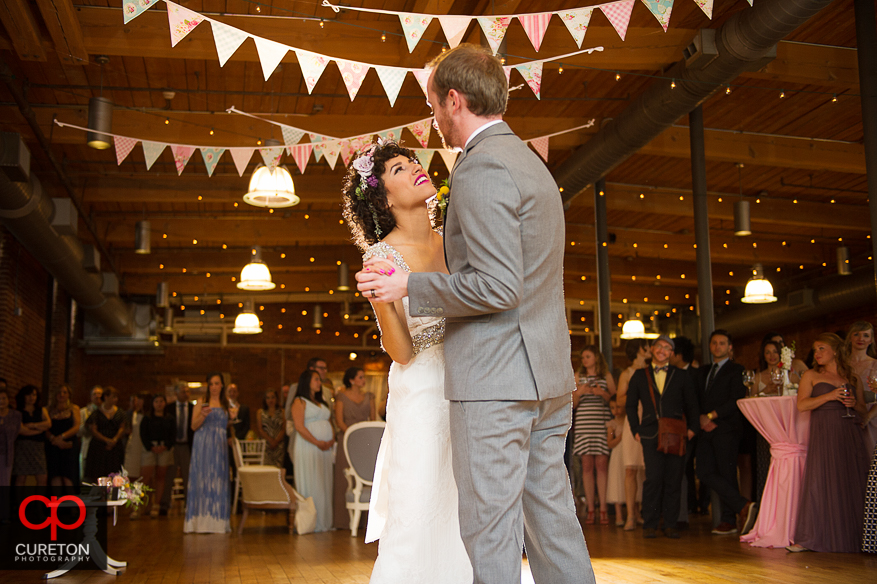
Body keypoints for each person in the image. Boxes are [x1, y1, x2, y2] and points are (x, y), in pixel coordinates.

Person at [355, 44, 594, 584]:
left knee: (490, 533)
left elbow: (498, 286)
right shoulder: (531, 164)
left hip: (495, 384)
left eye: (434, 104)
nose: (433, 119)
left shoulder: (481, 169)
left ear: (454, 100)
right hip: (546, 377)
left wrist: (409, 285)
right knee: (554, 525)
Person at [342, 138, 471, 582]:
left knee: (464, 499)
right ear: (384, 197)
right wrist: (381, 303)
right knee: (420, 497)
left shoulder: (453, 240)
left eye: (412, 160)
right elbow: (401, 352)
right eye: (399, 169)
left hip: (469, 378)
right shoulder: (380, 256)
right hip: (420, 389)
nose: (416, 167)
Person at [789, 333, 869, 553]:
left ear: (835, 350)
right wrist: (830, 396)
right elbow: (802, 405)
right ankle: (810, 537)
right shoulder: (811, 375)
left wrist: (854, 403)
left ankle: (859, 538)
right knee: (821, 479)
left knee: (850, 480)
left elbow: (862, 409)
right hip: (824, 431)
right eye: (815, 350)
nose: (817, 353)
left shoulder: (852, 377)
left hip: (848, 430)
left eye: (821, 348)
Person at [625, 336, 700, 539]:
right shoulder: (640, 376)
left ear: (671, 354)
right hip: (650, 434)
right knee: (653, 479)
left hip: (676, 433)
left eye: (667, 348)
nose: (662, 350)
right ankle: (649, 523)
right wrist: (636, 430)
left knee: (673, 479)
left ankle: (670, 524)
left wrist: (692, 429)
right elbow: (630, 405)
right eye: (659, 346)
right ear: (652, 349)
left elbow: (692, 404)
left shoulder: (682, 376)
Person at [695, 330, 755, 536]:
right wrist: (702, 418)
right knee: (703, 471)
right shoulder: (703, 371)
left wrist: (711, 416)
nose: (717, 346)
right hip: (705, 429)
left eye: (722, 343)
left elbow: (736, 399)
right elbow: (695, 399)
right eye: (714, 343)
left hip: (727, 428)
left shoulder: (737, 369)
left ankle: (728, 520)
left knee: (727, 473)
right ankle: (742, 505)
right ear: (710, 346)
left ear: (729, 347)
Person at [572, 345, 616, 525]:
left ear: (596, 358)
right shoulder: (578, 376)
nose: (584, 360)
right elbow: (572, 405)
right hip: (583, 425)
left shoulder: (606, 376)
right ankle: (591, 508)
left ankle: (603, 508)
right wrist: (579, 394)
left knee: (602, 464)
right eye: (582, 357)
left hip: (601, 424)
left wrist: (602, 393)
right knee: (587, 465)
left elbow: (615, 401)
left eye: (588, 356)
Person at [184, 372, 231, 533]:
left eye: (217, 383)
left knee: (218, 480)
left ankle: (218, 522)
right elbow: (193, 426)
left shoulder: (226, 404)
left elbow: (226, 425)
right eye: (211, 384)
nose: (214, 387)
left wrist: (232, 419)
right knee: (202, 480)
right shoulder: (201, 403)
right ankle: (199, 522)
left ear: (222, 385)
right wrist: (203, 416)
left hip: (220, 446)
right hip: (203, 445)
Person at [291, 369, 335, 533]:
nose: (319, 383)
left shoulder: (321, 401)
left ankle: (324, 522)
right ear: (307, 381)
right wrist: (317, 442)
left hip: (324, 447)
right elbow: (299, 426)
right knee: (312, 481)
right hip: (308, 446)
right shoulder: (299, 401)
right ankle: (311, 523)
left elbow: (329, 421)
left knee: (323, 483)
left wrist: (331, 440)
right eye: (316, 379)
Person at [333, 367, 376, 530]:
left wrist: (365, 438)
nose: (363, 380)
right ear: (351, 380)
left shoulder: (369, 397)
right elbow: (339, 420)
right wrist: (352, 436)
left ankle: (366, 522)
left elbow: (372, 419)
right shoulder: (341, 397)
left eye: (363, 377)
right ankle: (343, 521)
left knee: (366, 475)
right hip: (347, 439)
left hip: (365, 441)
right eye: (360, 377)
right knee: (345, 478)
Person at [616, 339, 648, 530]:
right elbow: (619, 399)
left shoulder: (652, 370)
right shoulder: (627, 374)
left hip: (649, 419)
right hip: (633, 420)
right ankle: (630, 515)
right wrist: (638, 392)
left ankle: (643, 511)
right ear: (639, 350)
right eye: (647, 347)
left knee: (647, 469)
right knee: (631, 469)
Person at [140, 393, 175, 518]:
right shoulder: (147, 418)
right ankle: (140, 505)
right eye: (157, 402)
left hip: (164, 449)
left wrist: (166, 446)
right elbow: (143, 434)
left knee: (161, 477)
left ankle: (156, 504)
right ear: (153, 404)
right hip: (150, 449)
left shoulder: (169, 418)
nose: (159, 404)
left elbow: (173, 434)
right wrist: (151, 447)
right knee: (145, 477)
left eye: (161, 401)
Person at [845, 321, 877, 452]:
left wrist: (868, 416)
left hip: (871, 415)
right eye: (857, 334)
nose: (861, 339)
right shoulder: (841, 364)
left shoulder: (875, 364)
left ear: (871, 340)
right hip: (845, 412)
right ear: (850, 338)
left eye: (865, 335)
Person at [84, 386, 126, 482]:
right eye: (113, 397)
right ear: (106, 397)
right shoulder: (97, 412)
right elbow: (93, 429)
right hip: (99, 446)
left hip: (115, 446)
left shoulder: (120, 412)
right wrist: (106, 440)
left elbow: (122, 427)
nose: (115, 399)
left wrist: (114, 439)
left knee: (114, 473)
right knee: (97, 473)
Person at [163, 383, 194, 514]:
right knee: (169, 475)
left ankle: (189, 504)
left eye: (187, 391)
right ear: (176, 393)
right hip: (173, 446)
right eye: (183, 392)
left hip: (187, 445)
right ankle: (164, 504)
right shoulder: (168, 408)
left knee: (188, 476)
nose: (186, 394)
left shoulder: (193, 408)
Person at [45, 384, 81, 494]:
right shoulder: (48, 409)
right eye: (59, 392)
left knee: (68, 475)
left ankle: (71, 506)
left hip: (69, 444)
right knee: (54, 474)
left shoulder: (74, 408)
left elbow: (76, 426)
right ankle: (56, 506)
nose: (62, 395)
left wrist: (62, 437)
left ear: (69, 395)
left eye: (65, 392)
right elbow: (45, 427)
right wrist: (53, 439)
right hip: (52, 445)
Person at [605, 395, 626, 527]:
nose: (616, 410)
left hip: (627, 453)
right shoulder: (612, 425)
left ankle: (634, 513)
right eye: (612, 408)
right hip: (617, 455)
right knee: (618, 482)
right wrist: (621, 437)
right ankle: (618, 514)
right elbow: (610, 443)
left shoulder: (628, 421)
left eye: (618, 407)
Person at [124, 391, 149, 482]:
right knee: (130, 472)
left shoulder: (147, 415)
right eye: (133, 401)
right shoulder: (129, 414)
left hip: (143, 446)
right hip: (132, 446)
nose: (136, 403)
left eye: (138, 400)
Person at [256, 389, 285, 468]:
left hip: (279, 446)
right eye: (268, 398)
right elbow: (260, 429)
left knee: (278, 470)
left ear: (276, 399)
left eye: (272, 397)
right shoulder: (260, 412)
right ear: (265, 400)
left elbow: (283, 429)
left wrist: (276, 441)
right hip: (266, 446)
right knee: (266, 470)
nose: (270, 400)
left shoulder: (282, 412)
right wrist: (270, 440)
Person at [0, 387, 22, 486]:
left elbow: (16, 432)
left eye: (4, 398)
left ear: (8, 400)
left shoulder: (15, 415)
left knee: (4, 483)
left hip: (7, 454)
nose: (1, 401)